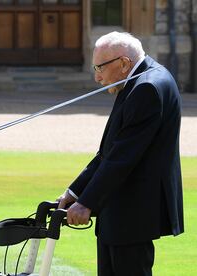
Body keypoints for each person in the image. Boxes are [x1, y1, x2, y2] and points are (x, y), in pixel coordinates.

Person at [56, 31, 184, 276]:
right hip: (120, 209)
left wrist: (86, 203)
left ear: (124, 64)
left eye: (100, 68)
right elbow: (110, 150)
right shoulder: (141, 79)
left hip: (132, 212)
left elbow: (122, 158)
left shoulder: (146, 87)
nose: (97, 77)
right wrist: (75, 192)